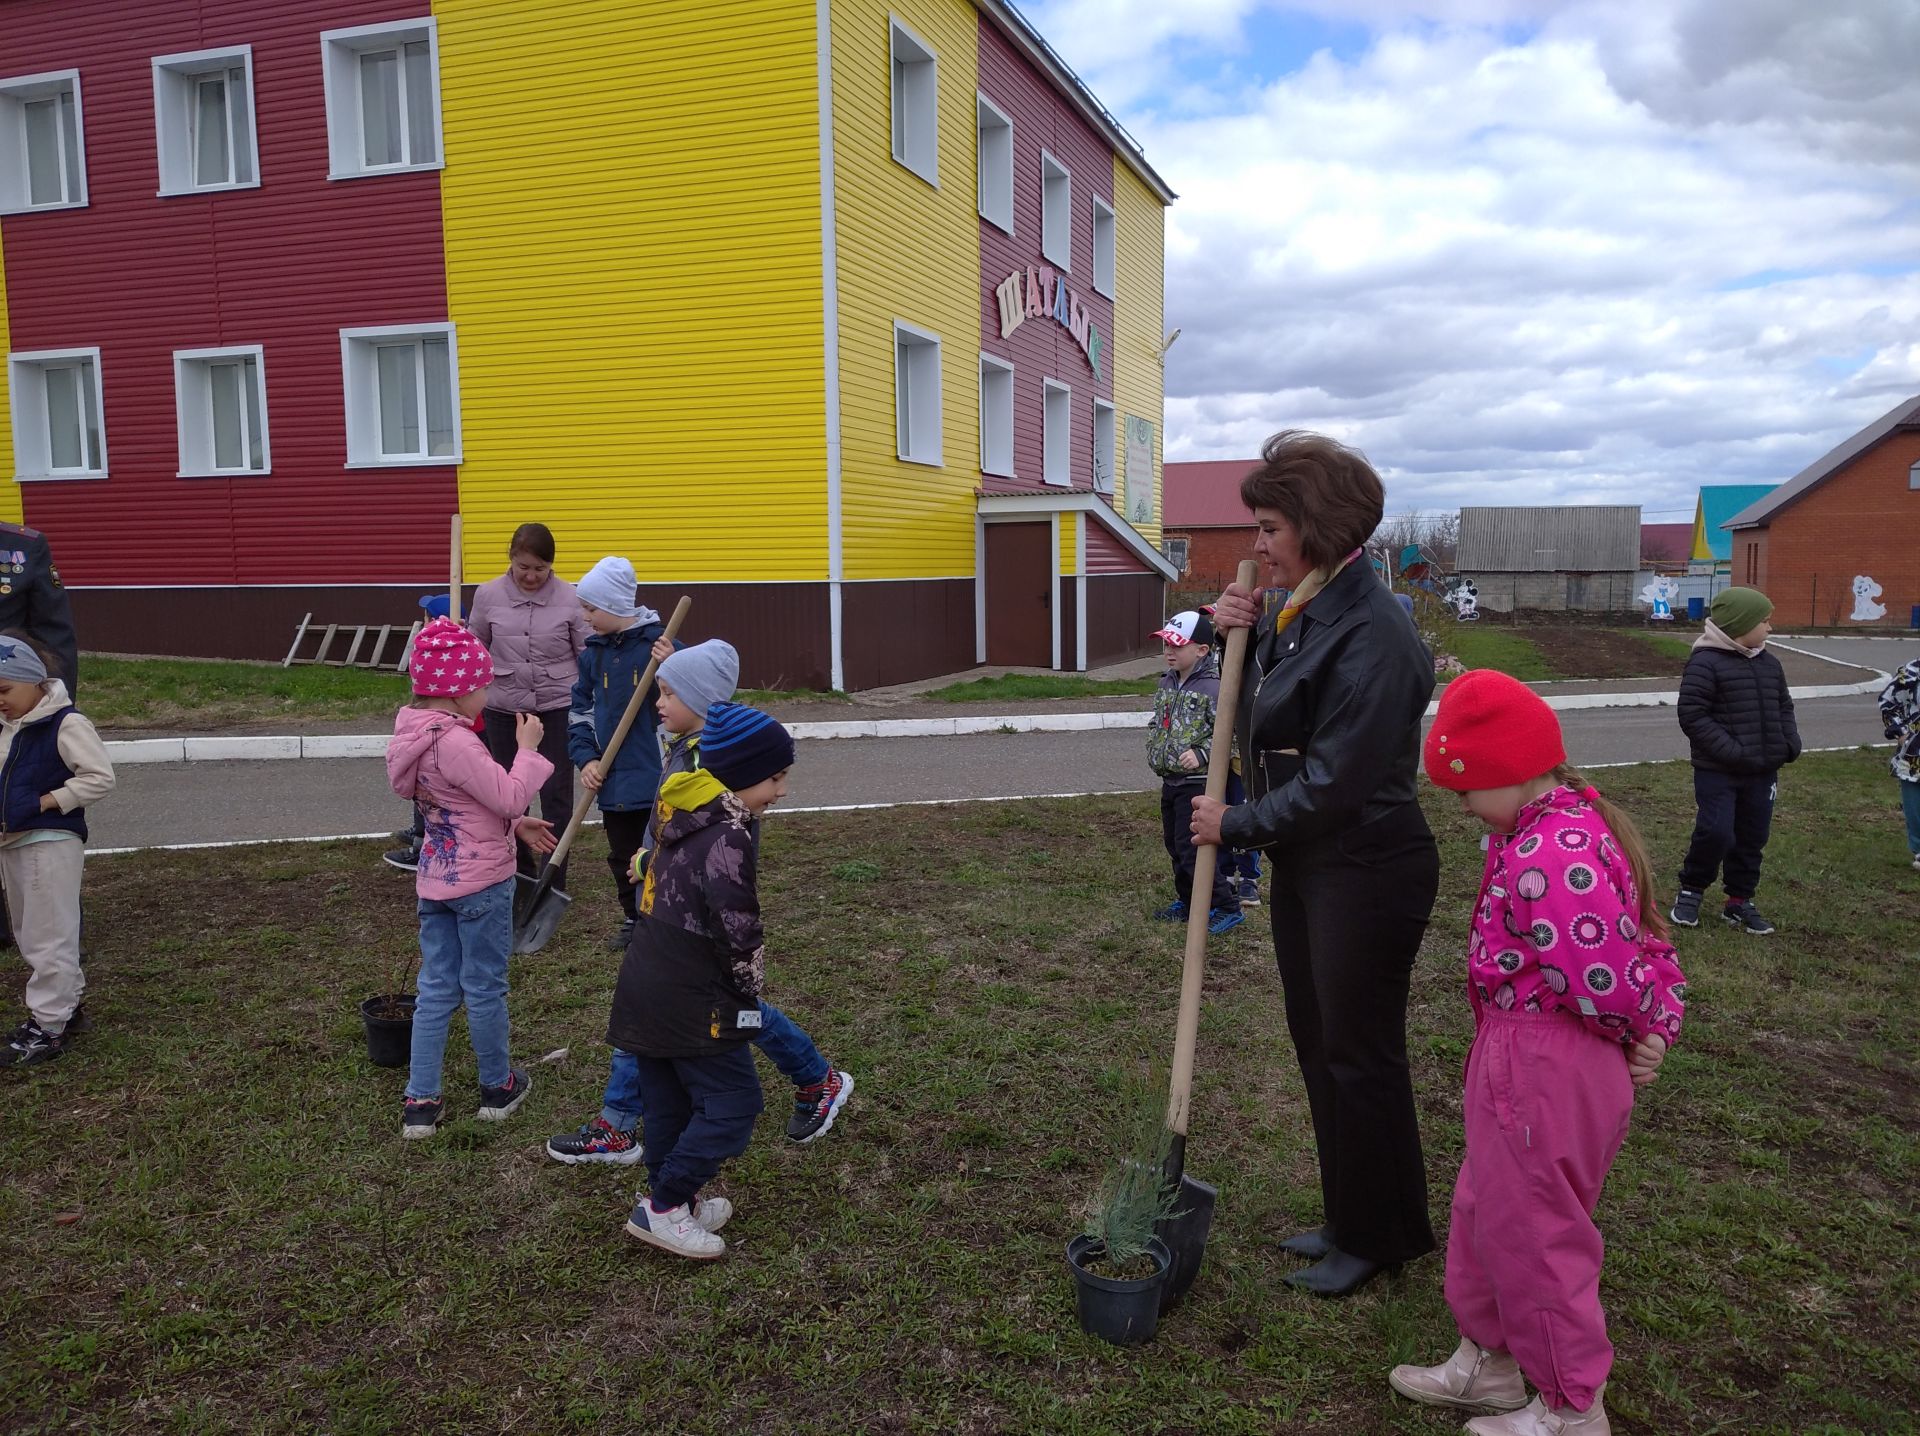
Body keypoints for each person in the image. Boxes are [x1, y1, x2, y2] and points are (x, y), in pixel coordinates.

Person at [1390, 669, 1686, 1435]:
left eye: (1465, 789)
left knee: (1537, 1235)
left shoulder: (1552, 852)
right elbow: (1644, 941)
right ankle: (1489, 1361)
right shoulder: (1549, 829)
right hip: (1523, 1053)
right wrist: (1653, 1018)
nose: (1460, 807)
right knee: (1487, 1208)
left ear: (1516, 770)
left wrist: (1644, 1025)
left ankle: (1568, 1407)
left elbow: (1602, 977)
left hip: (1547, 1062)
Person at [1192, 430, 1441, 1297]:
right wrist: (1240, 636)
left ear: (1319, 527)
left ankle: (1381, 1234)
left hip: (1366, 865)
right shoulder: (1307, 608)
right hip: (1313, 860)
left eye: (1269, 527)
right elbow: (1276, 712)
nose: (1256, 545)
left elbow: (1336, 782)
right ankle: (1349, 1214)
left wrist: (1238, 821)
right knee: (1318, 1043)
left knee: (1359, 1053)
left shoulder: (1376, 633)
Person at [546, 642, 851, 1166]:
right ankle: (620, 1122)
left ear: (704, 702)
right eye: (660, 689)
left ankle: (816, 1078)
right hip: (664, 905)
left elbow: (718, 848)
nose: (658, 701)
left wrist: (657, 866)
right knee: (660, 1011)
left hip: (693, 919)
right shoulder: (684, 746)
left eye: (669, 692)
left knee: (731, 1013)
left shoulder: (713, 763)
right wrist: (650, 863)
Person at [606, 703, 796, 1259]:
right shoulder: (728, 838)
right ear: (740, 775)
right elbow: (738, 926)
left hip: (647, 977)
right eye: (776, 778)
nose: (781, 791)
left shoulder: (680, 813)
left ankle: (673, 1197)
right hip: (696, 993)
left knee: (668, 1103)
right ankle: (664, 1207)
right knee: (735, 1102)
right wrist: (748, 985)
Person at [386, 618, 556, 1140]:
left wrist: (515, 825)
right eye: (483, 685)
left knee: (435, 989)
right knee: (484, 987)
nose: (488, 695)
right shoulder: (456, 742)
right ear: (457, 690)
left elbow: (460, 804)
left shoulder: (414, 734)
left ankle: (421, 1101)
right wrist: (527, 750)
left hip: (437, 878)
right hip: (481, 884)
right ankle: (497, 1088)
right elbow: (505, 794)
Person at [0, 634, 112, 1066]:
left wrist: (45, 802)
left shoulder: (64, 723)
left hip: (49, 840)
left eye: (6, 691)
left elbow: (99, 778)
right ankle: (67, 1008)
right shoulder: (10, 727)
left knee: (49, 935)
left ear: (34, 681)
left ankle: (47, 1028)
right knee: (31, 932)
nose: (2, 702)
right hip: (14, 842)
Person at [466, 523, 590, 891]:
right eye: (524, 567)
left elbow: (586, 655)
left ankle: (553, 881)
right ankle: (518, 874)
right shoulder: (487, 595)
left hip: (556, 708)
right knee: (506, 796)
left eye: (541, 568)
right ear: (511, 560)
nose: (532, 576)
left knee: (556, 796)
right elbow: (475, 650)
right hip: (505, 710)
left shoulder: (571, 597)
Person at [1671, 587, 1800, 935]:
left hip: (1762, 771)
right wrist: (1732, 752)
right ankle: (1691, 890)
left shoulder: (1769, 663)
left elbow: (1783, 706)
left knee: (1752, 835)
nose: (1770, 628)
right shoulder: (1705, 663)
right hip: (1719, 772)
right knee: (1716, 831)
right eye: (1764, 621)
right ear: (1740, 625)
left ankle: (1740, 901)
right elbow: (1693, 716)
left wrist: (1789, 742)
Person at [569, 556, 675, 952]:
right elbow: (579, 711)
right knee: (621, 856)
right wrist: (587, 758)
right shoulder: (592, 655)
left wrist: (674, 664)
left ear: (615, 607)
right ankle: (634, 919)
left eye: (591, 608)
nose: (584, 617)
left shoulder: (660, 646)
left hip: (658, 775)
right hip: (612, 778)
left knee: (663, 852)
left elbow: (695, 697)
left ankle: (666, 916)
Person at [0, 522, 80, 951]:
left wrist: (52, 714)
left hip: (12, 708)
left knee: (31, 820)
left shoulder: (22, 548)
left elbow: (54, 637)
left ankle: (53, 927)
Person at [1146, 610, 1242, 935]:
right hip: (1170, 781)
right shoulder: (1166, 682)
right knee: (1174, 846)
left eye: (1177, 645)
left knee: (1191, 850)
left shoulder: (1215, 689)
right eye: (1166, 645)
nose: (1169, 652)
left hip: (1197, 785)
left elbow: (1234, 735)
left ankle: (1226, 905)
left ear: (1201, 650)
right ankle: (1188, 902)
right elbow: (1159, 723)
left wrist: (1201, 753)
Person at [1879, 653, 1920, 871]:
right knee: (1914, 803)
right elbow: (1888, 701)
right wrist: (1902, 732)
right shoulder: (1912, 672)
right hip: (1916, 754)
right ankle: (1919, 849)